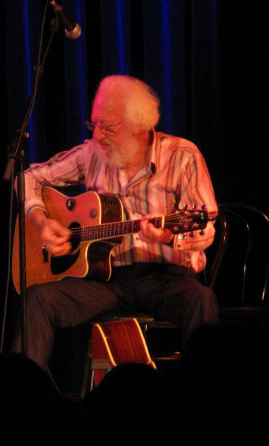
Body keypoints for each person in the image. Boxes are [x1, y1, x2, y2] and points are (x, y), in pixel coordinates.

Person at [18, 75, 218, 369]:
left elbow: (206, 229)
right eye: (94, 124)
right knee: (37, 299)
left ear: (139, 126)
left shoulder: (182, 156)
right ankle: (22, 398)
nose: (97, 135)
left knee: (202, 300)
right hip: (106, 282)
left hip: (168, 278)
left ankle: (203, 403)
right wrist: (40, 220)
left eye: (107, 127)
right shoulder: (92, 154)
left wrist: (167, 238)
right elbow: (28, 177)